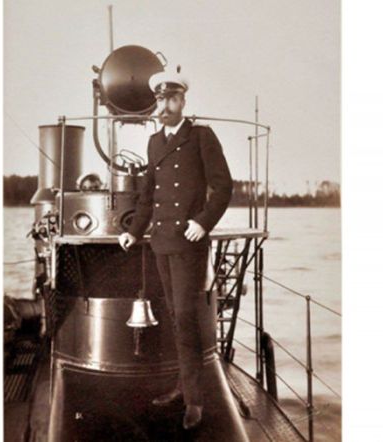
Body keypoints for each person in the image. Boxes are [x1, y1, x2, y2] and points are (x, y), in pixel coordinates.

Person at [117, 69, 233, 430]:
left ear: (183, 101)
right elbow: (148, 194)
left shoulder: (201, 137)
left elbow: (223, 186)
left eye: (171, 99)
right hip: (161, 243)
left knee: (185, 317)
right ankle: (183, 386)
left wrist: (203, 222)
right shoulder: (154, 142)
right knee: (173, 316)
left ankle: (195, 400)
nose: (164, 106)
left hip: (188, 242)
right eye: (160, 100)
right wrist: (134, 231)